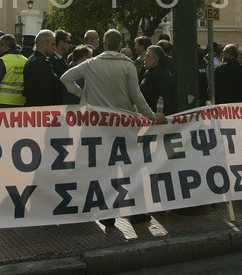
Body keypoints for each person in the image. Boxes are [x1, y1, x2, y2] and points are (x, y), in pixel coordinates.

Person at [60, 29, 166, 227]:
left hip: (97, 126)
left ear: (105, 45)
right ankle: (135, 212)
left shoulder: (91, 64)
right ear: (119, 45)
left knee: (103, 170)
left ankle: (107, 214)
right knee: (130, 169)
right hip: (124, 126)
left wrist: (83, 95)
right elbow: (137, 96)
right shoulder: (128, 66)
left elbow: (65, 78)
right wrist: (152, 116)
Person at [0, 34, 27, 107]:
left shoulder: (2, 61)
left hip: (2, 102)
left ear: (5, 46)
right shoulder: (25, 60)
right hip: (21, 102)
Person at [23, 30, 63, 106]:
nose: (54, 48)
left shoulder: (32, 60)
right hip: (42, 109)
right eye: (53, 44)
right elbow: (46, 91)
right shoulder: (41, 62)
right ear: (44, 43)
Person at [139, 45, 177, 114]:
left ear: (156, 60)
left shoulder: (150, 75)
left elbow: (141, 96)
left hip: (155, 116)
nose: (144, 59)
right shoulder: (167, 73)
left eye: (148, 56)